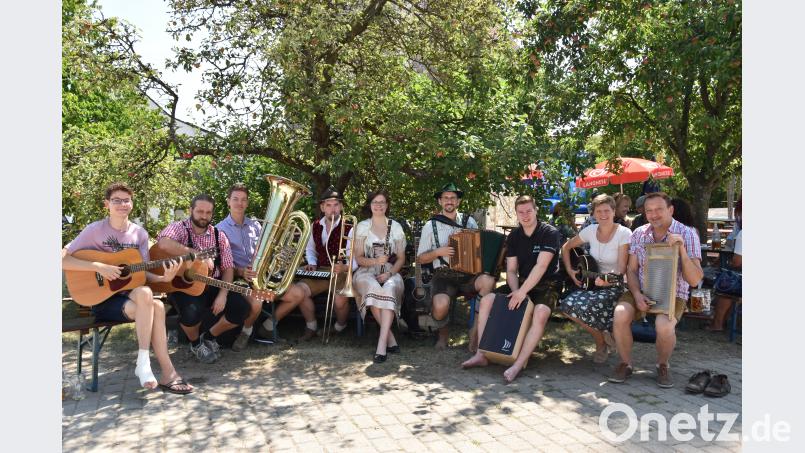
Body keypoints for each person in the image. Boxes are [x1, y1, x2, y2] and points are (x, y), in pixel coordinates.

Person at [62, 182, 192, 394]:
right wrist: (98, 266)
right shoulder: (94, 231)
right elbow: (62, 259)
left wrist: (163, 278)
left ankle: (150, 366)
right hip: (101, 299)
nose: (122, 204)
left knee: (148, 294)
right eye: (116, 200)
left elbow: (140, 274)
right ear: (107, 204)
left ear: (132, 203)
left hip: (132, 298)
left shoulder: (139, 234)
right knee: (156, 307)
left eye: (126, 200)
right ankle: (159, 370)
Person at [461, 195, 562, 383]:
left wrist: (522, 293)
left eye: (529, 211)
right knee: (487, 300)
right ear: (516, 213)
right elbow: (511, 270)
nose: (525, 215)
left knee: (540, 313)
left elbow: (541, 267)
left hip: (547, 283)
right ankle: (481, 354)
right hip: (521, 282)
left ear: (536, 210)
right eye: (521, 212)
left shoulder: (550, 232)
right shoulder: (514, 236)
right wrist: (516, 291)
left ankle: (517, 364)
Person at [608, 192, 703, 388]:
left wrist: (681, 250)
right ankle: (625, 364)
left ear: (671, 210)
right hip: (640, 289)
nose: (654, 214)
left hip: (673, 293)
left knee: (664, 325)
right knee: (620, 314)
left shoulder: (687, 233)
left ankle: (662, 365)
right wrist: (636, 294)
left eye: (659, 209)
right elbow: (631, 270)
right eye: (649, 211)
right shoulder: (639, 233)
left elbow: (694, 280)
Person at [157, 194, 253, 364]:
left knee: (242, 308)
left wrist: (223, 294)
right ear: (191, 210)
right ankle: (195, 344)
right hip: (184, 286)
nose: (204, 216)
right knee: (191, 314)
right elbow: (163, 244)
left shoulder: (219, 235)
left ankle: (207, 338)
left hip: (213, 284)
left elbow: (228, 267)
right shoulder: (179, 228)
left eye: (208, 212)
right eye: (200, 211)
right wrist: (197, 255)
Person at [256, 186, 353, 341]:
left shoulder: (350, 227)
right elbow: (310, 249)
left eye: (336, 205)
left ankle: (340, 326)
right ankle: (311, 326)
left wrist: (345, 267)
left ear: (341, 206)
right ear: (322, 207)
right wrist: (312, 263)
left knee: (340, 300)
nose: (332, 209)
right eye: (328, 205)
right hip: (321, 270)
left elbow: (353, 257)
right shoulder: (315, 226)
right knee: (300, 290)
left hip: (342, 271)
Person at [415, 183, 496, 350]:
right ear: (440, 201)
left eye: (453, 198)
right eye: (446, 198)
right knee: (440, 305)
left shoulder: (469, 221)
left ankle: (475, 331)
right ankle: (443, 334)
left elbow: (480, 249)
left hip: (468, 275)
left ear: (458, 201)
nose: (449, 201)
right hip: (443, 275)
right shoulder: (430, 226)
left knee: (488, 281)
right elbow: (421, 258)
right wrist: (439, 252)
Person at [558, 194, 632, 364]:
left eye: (607, 210)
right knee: (567, 305)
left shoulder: (624, 233)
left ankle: (601, 344)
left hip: (616, 284)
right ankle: (601, 339)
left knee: (589, 306)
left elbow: (621, 268)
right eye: (598, 211)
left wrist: (608, 280)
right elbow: (566, 247)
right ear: (593, 214)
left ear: (614, 212)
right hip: (593, 283)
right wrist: (570, 270)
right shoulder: (590, 230)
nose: (603, 214)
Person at [352, 190, 406, 363]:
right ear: (370, 205)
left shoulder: (395, 227)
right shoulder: (362, 227)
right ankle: (389, 339)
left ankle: (381, 344)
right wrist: (375, 261)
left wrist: (390, 273)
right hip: (366, 271)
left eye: (382, 202)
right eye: (375, 202)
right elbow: (359, 258)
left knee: (389, 287)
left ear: (387, 205)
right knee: (373, 287)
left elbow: (401, 259)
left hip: (390, 270)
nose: (379, 205)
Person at [216, 183, 269, 351]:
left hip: (259, 275)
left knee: (294, 294)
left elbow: (263, 251)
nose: (240, 203)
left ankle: (268, 327)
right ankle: (247, 331)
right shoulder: (219, 229)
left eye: (243, 200)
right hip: (237, 279)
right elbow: (220, 263)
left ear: (247, 202)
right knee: (257, 302)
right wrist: (240, 271)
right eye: (235, 199)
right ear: (228, 202)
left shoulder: (256, 225)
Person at [709, 198, 742, 332]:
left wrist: (723, 264)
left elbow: (737, 262)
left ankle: (717, 324)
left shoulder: (743, 235)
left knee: (726, 284)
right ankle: (728, 321)